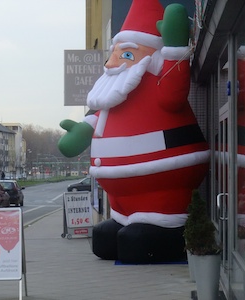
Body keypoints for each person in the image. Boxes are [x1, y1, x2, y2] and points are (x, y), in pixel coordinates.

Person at [58, 0, 210, 263]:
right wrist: (80, 133)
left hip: (162, 191)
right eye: (114, 54)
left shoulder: (158, 81)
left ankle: (164, 230)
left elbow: (175, 95)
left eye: (126, 55)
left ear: (153, 57)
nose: (112, 64)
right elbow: (94, 122)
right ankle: (124, 220)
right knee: (107, 241)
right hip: (119, 202)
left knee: (138, 242)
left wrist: (175, 48)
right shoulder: (115, 94)